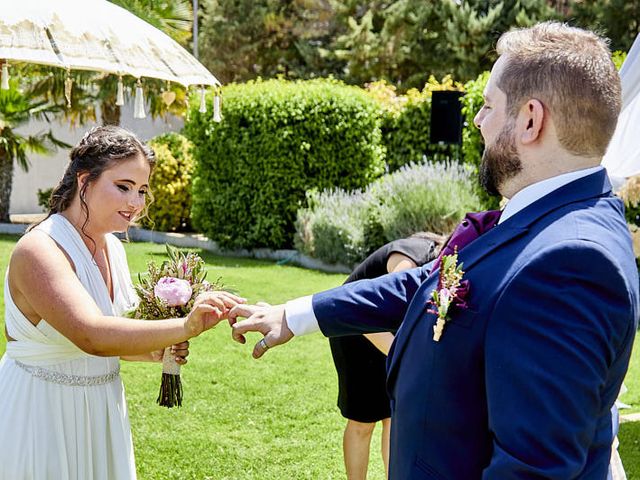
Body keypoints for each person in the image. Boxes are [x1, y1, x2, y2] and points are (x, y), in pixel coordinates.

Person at [228, 22, 639, 479]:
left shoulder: (570, 264)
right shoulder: (549, 217)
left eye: (487, 106)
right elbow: (436, 281)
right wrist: (296, 314)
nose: (478, 121)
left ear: (529, 120)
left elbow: (530, 470)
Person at [0, 126, 243, 479]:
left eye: (142, 191)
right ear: (84, 181)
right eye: (124, 187)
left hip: (101, 408)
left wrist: (153, 350)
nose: (136, 203)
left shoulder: (112, 247)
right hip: (41, 410)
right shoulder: (40, 249)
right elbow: (92, 336)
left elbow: (113, 340)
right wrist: (185, 325)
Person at [330, 234, 441, 480]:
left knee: (391, 416)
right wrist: (403, 356)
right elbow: (381, 302)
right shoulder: (412, 253)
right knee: (362, 422)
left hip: (387, 332)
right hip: (353, 330)